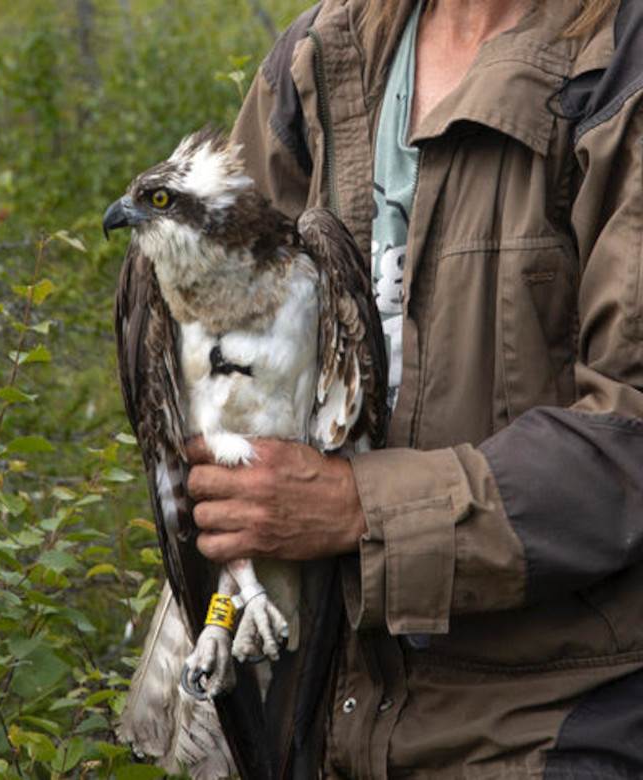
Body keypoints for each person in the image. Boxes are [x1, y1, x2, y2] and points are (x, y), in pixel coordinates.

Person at [186, 0, 643, 776]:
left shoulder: (620, 62)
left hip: (552, 720)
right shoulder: (320, 57)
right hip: (321, 708)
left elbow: (631, 434)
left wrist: (362, 510)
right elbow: (219, 360)